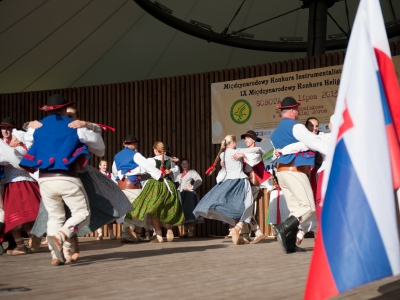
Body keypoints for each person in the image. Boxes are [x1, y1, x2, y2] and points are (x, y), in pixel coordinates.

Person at [19, 94, 105, 266]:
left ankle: (58, 255)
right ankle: (61, 236)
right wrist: (89, 125)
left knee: (54, 217)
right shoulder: (76, 127)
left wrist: (27, 124)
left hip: (44, 179)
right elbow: (100, 149)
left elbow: (23, 137)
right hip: (68, 178)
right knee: (82, 214)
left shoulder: (36, 128)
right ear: (65, 108)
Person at [270, 97, 327, 254]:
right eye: (298, 110)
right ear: (293, 110)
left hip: (282, 172)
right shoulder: (296, 126)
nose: (298, 112)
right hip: (294, 170)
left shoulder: (275, 134)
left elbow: (278, 154)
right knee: (308, 207)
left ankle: (289, 245)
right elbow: (313, 141)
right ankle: (282, 227)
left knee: (295, 209)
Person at [193, 135, 264, 245]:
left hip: (228, 182)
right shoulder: (237, 151)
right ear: (233, 142)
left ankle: (243, 234)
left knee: (237, 207)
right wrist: (244, 154)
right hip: (240, 181)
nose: (243, 141)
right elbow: (258, 151)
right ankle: (241, 229)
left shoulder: (223, 154)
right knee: (247, 205)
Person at [127, 141, 184, 243]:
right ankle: (169, 228)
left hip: (156, 185)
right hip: (169, 186)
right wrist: (170, 171)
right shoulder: (170, 161)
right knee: (167, 208)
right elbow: (177, 170)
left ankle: (159, 236)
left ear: (156, 150)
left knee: (152, 210)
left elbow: (141, 169)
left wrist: (129, 171)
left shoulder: (151, 160)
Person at [113, 135, 164, 243]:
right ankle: (129, 228)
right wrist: (159, 175)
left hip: (121, 186)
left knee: (129, 211)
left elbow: (114, 171)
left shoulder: (117, 156)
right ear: (135, 144)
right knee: (140, 210)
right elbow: (148, 166)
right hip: (133, 186)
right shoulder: (136, 155)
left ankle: (126, 235)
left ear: (124, 143)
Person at [0, 129, 41, 254]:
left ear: (18, 140)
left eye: (13, 138)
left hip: (15, 186)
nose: (10, 140)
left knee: (14, 219)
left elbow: (4, 160)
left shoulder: (17, 151)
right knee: (25, 218)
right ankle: (32, 237)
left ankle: (22, 246)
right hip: (25, 184)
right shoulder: (25, 150)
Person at [176, 158, 203, 238]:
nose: (185, 165)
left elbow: (199, 180)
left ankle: (191, 231)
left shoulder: (192, 172)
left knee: (190, 211)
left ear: (188, 164)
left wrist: (193, 187)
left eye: (186, 164)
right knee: (183, 211)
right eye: (183, 164)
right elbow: (176, 184)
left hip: (189, 194)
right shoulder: (179, 175)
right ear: (181, 165)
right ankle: (184, 232)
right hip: (181, 194)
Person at [96, 159, 116, 240]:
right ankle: (100, 233)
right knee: (99, 215)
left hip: (108, 197)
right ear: (99, 166)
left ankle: (111, 234)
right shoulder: (96, 174)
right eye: (103, 165)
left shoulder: (110, 175)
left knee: (110, 216)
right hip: (100, 197)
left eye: (106, 165)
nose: (105, 167)